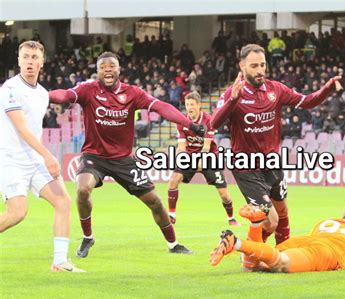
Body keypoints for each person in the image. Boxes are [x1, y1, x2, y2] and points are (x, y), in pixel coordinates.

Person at [49, 51, 207, 257]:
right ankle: (88, 238)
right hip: (94, 156)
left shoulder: (132, 93)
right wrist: (39, 94)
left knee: (155, 202)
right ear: (97, 71)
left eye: (111, 66)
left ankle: (173, 244)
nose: (107, 69)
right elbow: (64, 96)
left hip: (123, 159)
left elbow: (161, 107)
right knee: (82, 189)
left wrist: (190, 125)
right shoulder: (88, 90)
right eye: (103, 67)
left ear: (118, 70)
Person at [210, 44, 341, 271]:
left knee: (282, 214)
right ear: (242, 66)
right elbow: (213, 124)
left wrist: (327, 89)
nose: (260, 70)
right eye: (254, 66)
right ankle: (249, 257)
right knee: (269, 219)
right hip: (246, 167)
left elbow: (307, 101)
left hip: (272, 163)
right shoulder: (232, 95)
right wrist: (232, 99)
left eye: (263, 65)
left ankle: (281, 254)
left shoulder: (276, 89)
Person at [0, 41, 83, 272]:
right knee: (17, 213)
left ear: (42, 62)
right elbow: (22, 129)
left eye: (34, 57)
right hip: (11, 160)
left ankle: (60, 262)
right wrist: (48, 156)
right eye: (25, 57)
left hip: (34, 160)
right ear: (18, 60)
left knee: (63, 202)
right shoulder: (10, 89)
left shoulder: (43, 94)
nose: (29, 62)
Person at [210, 200, 345, 273]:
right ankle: (236, 242)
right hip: (327, 252)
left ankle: (256, 224)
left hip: (304, 241)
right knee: (278, 263)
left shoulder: (326, 222)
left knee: (253, 265)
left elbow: (314, 237)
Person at [167, 92, 240, 227]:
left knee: (224, 194)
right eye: (187, 104)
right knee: (173, 180)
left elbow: (206, 147)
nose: (190, 108)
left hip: (210, 157)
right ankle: (171, 215)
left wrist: (201, 162)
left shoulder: (208, 121)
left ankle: (231, 218)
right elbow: (181, 147)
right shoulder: (182, 122)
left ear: (199, 105)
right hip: (190, 156)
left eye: (192, 104)